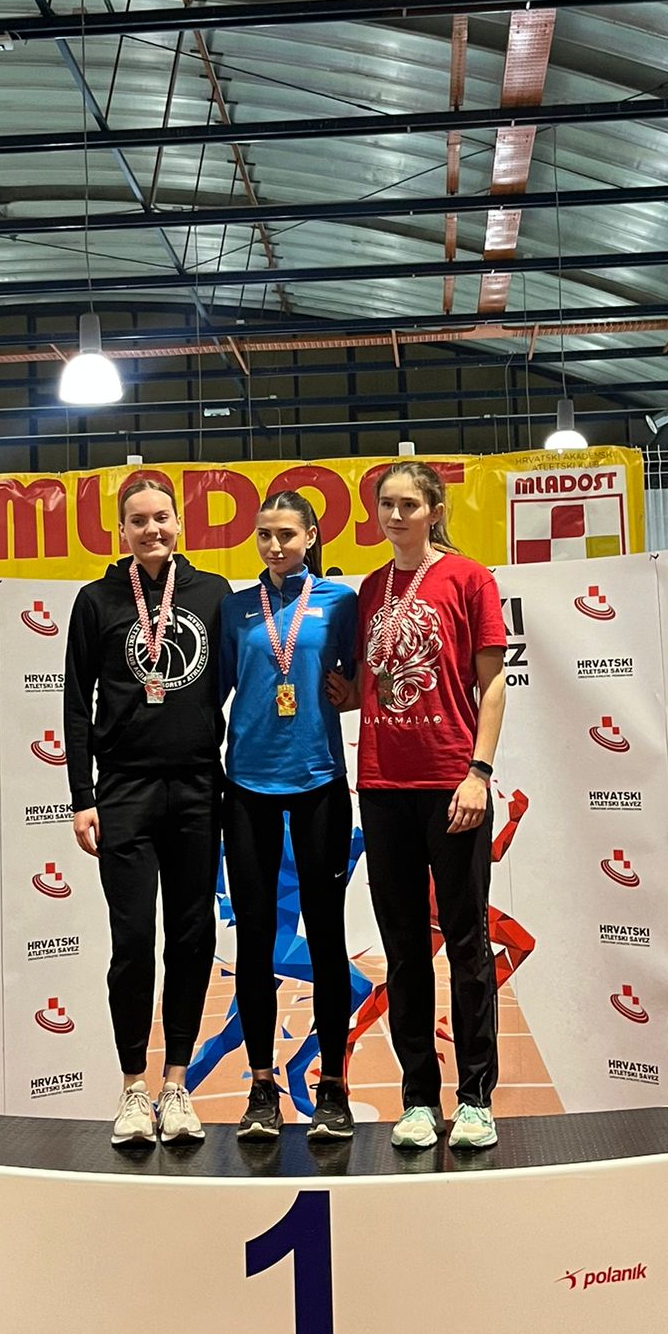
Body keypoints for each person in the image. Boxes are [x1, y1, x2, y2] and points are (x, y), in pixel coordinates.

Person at [328, 461, 507, 1151]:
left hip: (451, 785)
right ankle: (418, 1100)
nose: (395, 515)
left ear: (434, 510)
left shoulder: (469, 578)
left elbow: (492, 685)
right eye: (386, 504)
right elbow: (369, 684)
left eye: (408, 504)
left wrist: (478, 773)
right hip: (382, 787)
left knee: (466, 943)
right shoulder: (371, 588)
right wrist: (337, 694)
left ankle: (476, 1099)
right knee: (403, 953)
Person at [64, 476, 231, 1147]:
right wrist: (82, 797)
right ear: (122, 531)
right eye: (138, 521)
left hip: (198, 787)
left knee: (192, 939)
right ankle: (134, 1088)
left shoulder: (213, 594)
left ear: (178, 522)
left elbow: (244, 679)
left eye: (162, 517)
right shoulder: (95, 600)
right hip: (124, 790)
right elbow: (76, 703)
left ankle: (177, 1085)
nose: (152, 529)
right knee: (133, 941)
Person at [219, 491, 360, 1143]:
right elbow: (210, 691)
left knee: (327, 937)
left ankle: (333, 1088)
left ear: (310, 537)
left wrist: (350, 693)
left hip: (319, 783)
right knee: (254, 941)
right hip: (247, 788)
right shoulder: (234, 608)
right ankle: (260, 1089)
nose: (274, 546)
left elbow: (364, 683)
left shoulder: (340, 602)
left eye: (286, 535)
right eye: (264, 535)